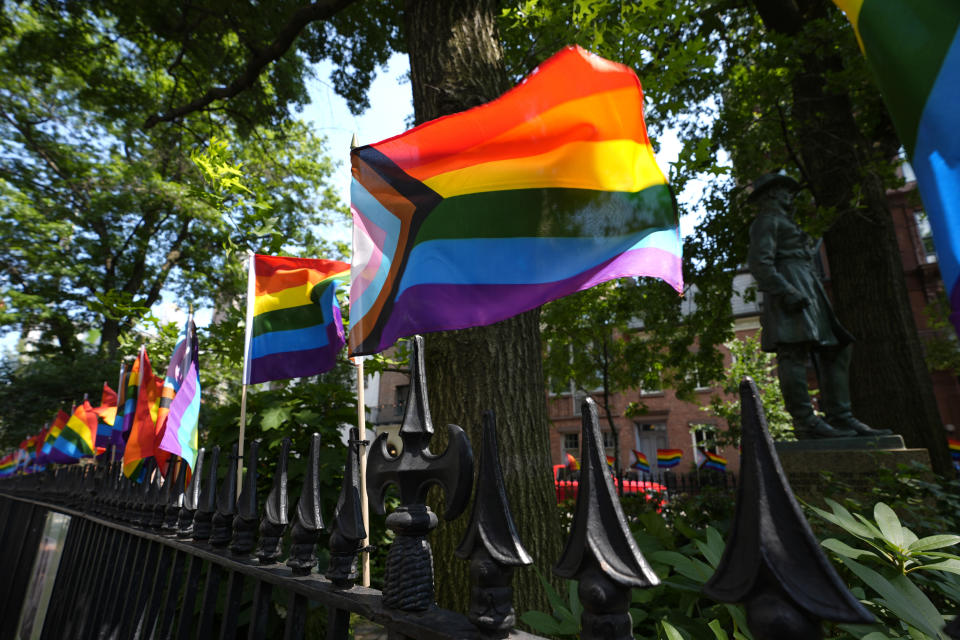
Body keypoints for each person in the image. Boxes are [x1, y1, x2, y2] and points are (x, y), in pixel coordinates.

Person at [746, 173, 891, 439]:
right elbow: (759, 263)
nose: (790, 195)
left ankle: (841, 416)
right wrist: (786, 290)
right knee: (793, 351)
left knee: (837, 347)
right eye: (783, 190)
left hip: (808, 283)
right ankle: (805, 421)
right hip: (790, 283)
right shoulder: (766, 221)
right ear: (771, 195)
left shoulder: (785, 221)